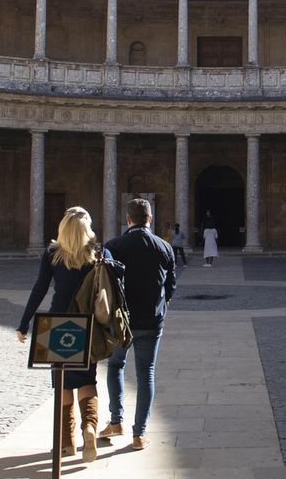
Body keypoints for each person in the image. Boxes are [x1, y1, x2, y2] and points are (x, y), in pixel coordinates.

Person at [16, 206, 122, 462]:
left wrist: (24, 323)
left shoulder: (53, 253)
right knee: (87, 379)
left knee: (62, 382)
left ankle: (66, 443)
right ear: (88, 228)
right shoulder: (99, 252)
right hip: (88, 323)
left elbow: (40, 289)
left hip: (57, 323)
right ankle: (89, 428)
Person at [101, 198, 178, 451]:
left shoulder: (113, 246)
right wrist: (161, 304)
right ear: (150, 219)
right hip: (151, 321)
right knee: (146, 374)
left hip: (120, 320)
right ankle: (139, 434)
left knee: (115, 365)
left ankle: (116, 421)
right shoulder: (164, 247)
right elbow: (171, 286)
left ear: (128, 219)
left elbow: (104, 283)